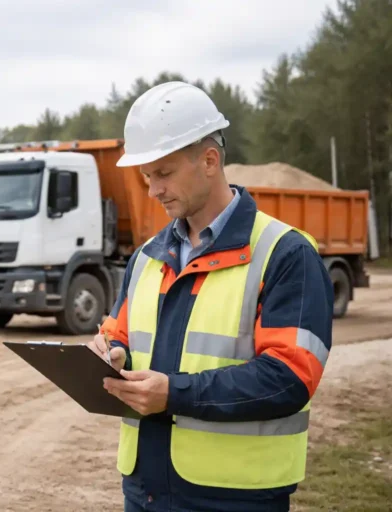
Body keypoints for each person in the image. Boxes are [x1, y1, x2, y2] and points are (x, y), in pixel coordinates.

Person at [87, 81, 334, 512]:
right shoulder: (147, 257)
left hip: (236, 498)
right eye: (147, 177)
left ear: (209, 160)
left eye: (163, 174)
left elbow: (290, 378)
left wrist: (175, 393)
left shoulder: (285, 254)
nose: (153, 191)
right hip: (145, 491)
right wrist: (111, 352)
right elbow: (119, 335)